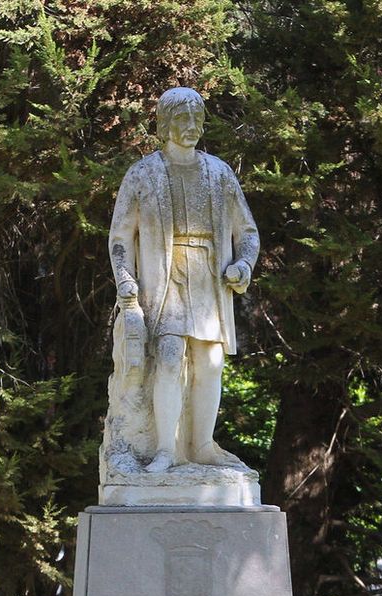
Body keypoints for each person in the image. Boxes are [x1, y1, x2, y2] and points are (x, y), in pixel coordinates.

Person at [107, 87, 259, 472]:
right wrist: (125, 280)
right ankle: (165, 451)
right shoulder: (143, 174)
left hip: (209, 279)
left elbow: (248, 232)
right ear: (164, 124)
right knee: (170, 359)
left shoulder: (219, 173)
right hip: (165, 280)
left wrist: (243, 265)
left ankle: (203, 445)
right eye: (181, 119)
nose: (191, 127)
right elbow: (121, 236)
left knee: (210, 362)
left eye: (197, 119)